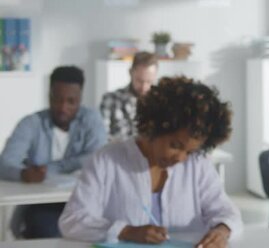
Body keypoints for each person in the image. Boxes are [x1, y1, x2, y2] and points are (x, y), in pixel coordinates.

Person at [59, 76, 243, 248]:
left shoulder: (197, 164)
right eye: (175, 145)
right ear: (153, 127)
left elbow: (227, 212)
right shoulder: (107, 160)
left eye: (190, 151)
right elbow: (72, 220)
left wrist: (222, 230)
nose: (181, 158)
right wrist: (126, 231)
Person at [0, 65, 107, 238]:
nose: (63, 107)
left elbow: (97, 158)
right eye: (57, 99)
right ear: (49, 96)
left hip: (83, 202)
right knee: (47, 230)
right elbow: (5, 162)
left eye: (71, 101)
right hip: (41, 204)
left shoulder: (91, 120)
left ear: (80, 99)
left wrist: (48, 168)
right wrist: (23, 174)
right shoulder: (31, 123)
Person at [100, 51, 158, 141]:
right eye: (139, 81)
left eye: (149, 81)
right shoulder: (111, 99)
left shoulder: (159, 103)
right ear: (131, 73)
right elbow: (101, 137)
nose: (144, 87)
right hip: (117, 153)